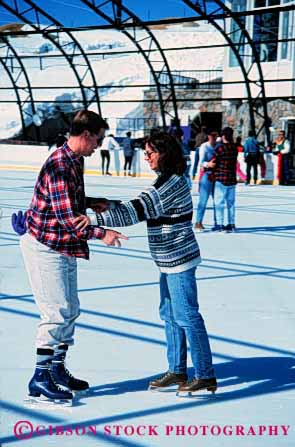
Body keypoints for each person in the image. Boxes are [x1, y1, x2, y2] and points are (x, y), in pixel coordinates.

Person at [74, 131, 217, 395]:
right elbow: (139, 206)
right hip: (168, 259)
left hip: (178, 259)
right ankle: (177, 370)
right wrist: (105, 205)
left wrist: (95, 220)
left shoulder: (171, 183)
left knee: (186, 315)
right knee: (170, 315)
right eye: (145, 153)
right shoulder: (166, 181)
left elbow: (137, 211)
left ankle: (205, 375)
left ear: (166, 154)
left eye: (151, 152)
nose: (147, 157)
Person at [12, 110, 127, 405]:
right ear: (86, 134)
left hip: (63, 244)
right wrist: (102, 234)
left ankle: (56, 369)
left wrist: (91, 202)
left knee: (70, 309)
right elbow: (65, 217)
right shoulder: (60, 165)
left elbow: (65, 202)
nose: (99, 146)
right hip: (46, 245)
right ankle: (40, 378)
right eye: (98, 139)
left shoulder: (74, 160)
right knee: (55, 312)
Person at [212, 127, 238, 232]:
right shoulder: (234, 148)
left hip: (221, 178)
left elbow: (214, 162)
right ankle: (231, 223)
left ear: (223, 136)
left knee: (219, 203)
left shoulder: (220, 148)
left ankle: (220, 224)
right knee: (231, 203)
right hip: (232, 178)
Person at [195, 129, 218, 231]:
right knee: (203, 200)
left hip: (216, 175)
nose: (214, 137)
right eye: (212, 135)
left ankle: (218, 222)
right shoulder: (204, 147)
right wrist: (208, 164)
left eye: (215, 135)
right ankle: (198, 222)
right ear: (208, 136)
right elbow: (201, 162)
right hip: (207, 175)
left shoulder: (218, 146)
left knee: (217, 200)